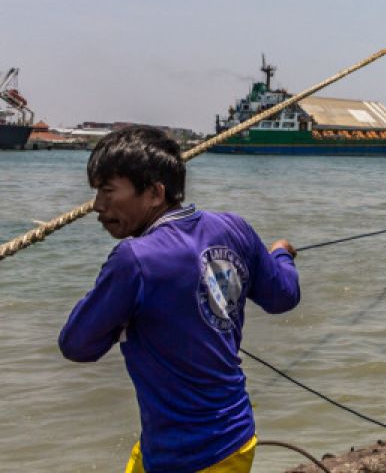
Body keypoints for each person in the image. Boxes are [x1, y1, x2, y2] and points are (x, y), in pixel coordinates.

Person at [59, 126, 300, 473]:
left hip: (190, 456)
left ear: (155, 193)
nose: (98, 206)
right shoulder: (235, 228)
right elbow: (283, 296)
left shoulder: (133, 259)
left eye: (109, 192)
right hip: (228, 437)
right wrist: (280, 255)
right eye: (97, 192)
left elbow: (76, 345)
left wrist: (117, 303)